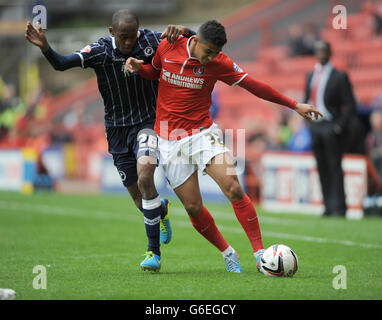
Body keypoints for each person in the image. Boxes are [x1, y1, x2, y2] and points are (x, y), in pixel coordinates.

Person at [125, 20, 322, 273]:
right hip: (169, 141)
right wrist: (139, 68)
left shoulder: (219, 62)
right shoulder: (168, 45)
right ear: (195, 41)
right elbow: (154, 71)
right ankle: (228, 252)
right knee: (194, 207)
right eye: (207, 52)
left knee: (233, 188)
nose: (209, 58)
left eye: (214, 53)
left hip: (202, 134)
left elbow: (255, 86)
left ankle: (260, 253)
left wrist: (295, 105)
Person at [25, 9, 195, 271]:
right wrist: (46, 47)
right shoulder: (100, 51)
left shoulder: (150, 41)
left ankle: (154, 253)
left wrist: (185, 30)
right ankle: (160, 209)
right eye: (124, 37)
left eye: (133, 36)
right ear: (111, 32)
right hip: (116, 131)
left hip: (148, 123)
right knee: (142, 202)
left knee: (146, 175)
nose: (129, 43)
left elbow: (194, 44)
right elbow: (61, 64)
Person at [303, 40, 358, 217]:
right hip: (316, 127)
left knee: (335, 167)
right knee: (322, 167)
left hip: (330, 126)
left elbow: (350, 105)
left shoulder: (339, 76)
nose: (321, 54)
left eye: (324, 50)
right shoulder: (311, 75)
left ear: (330, 52)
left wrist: (338, 126)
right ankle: (327, 206)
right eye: (318, 50)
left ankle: (339, 208)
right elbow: (306, 102)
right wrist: (309, 124)